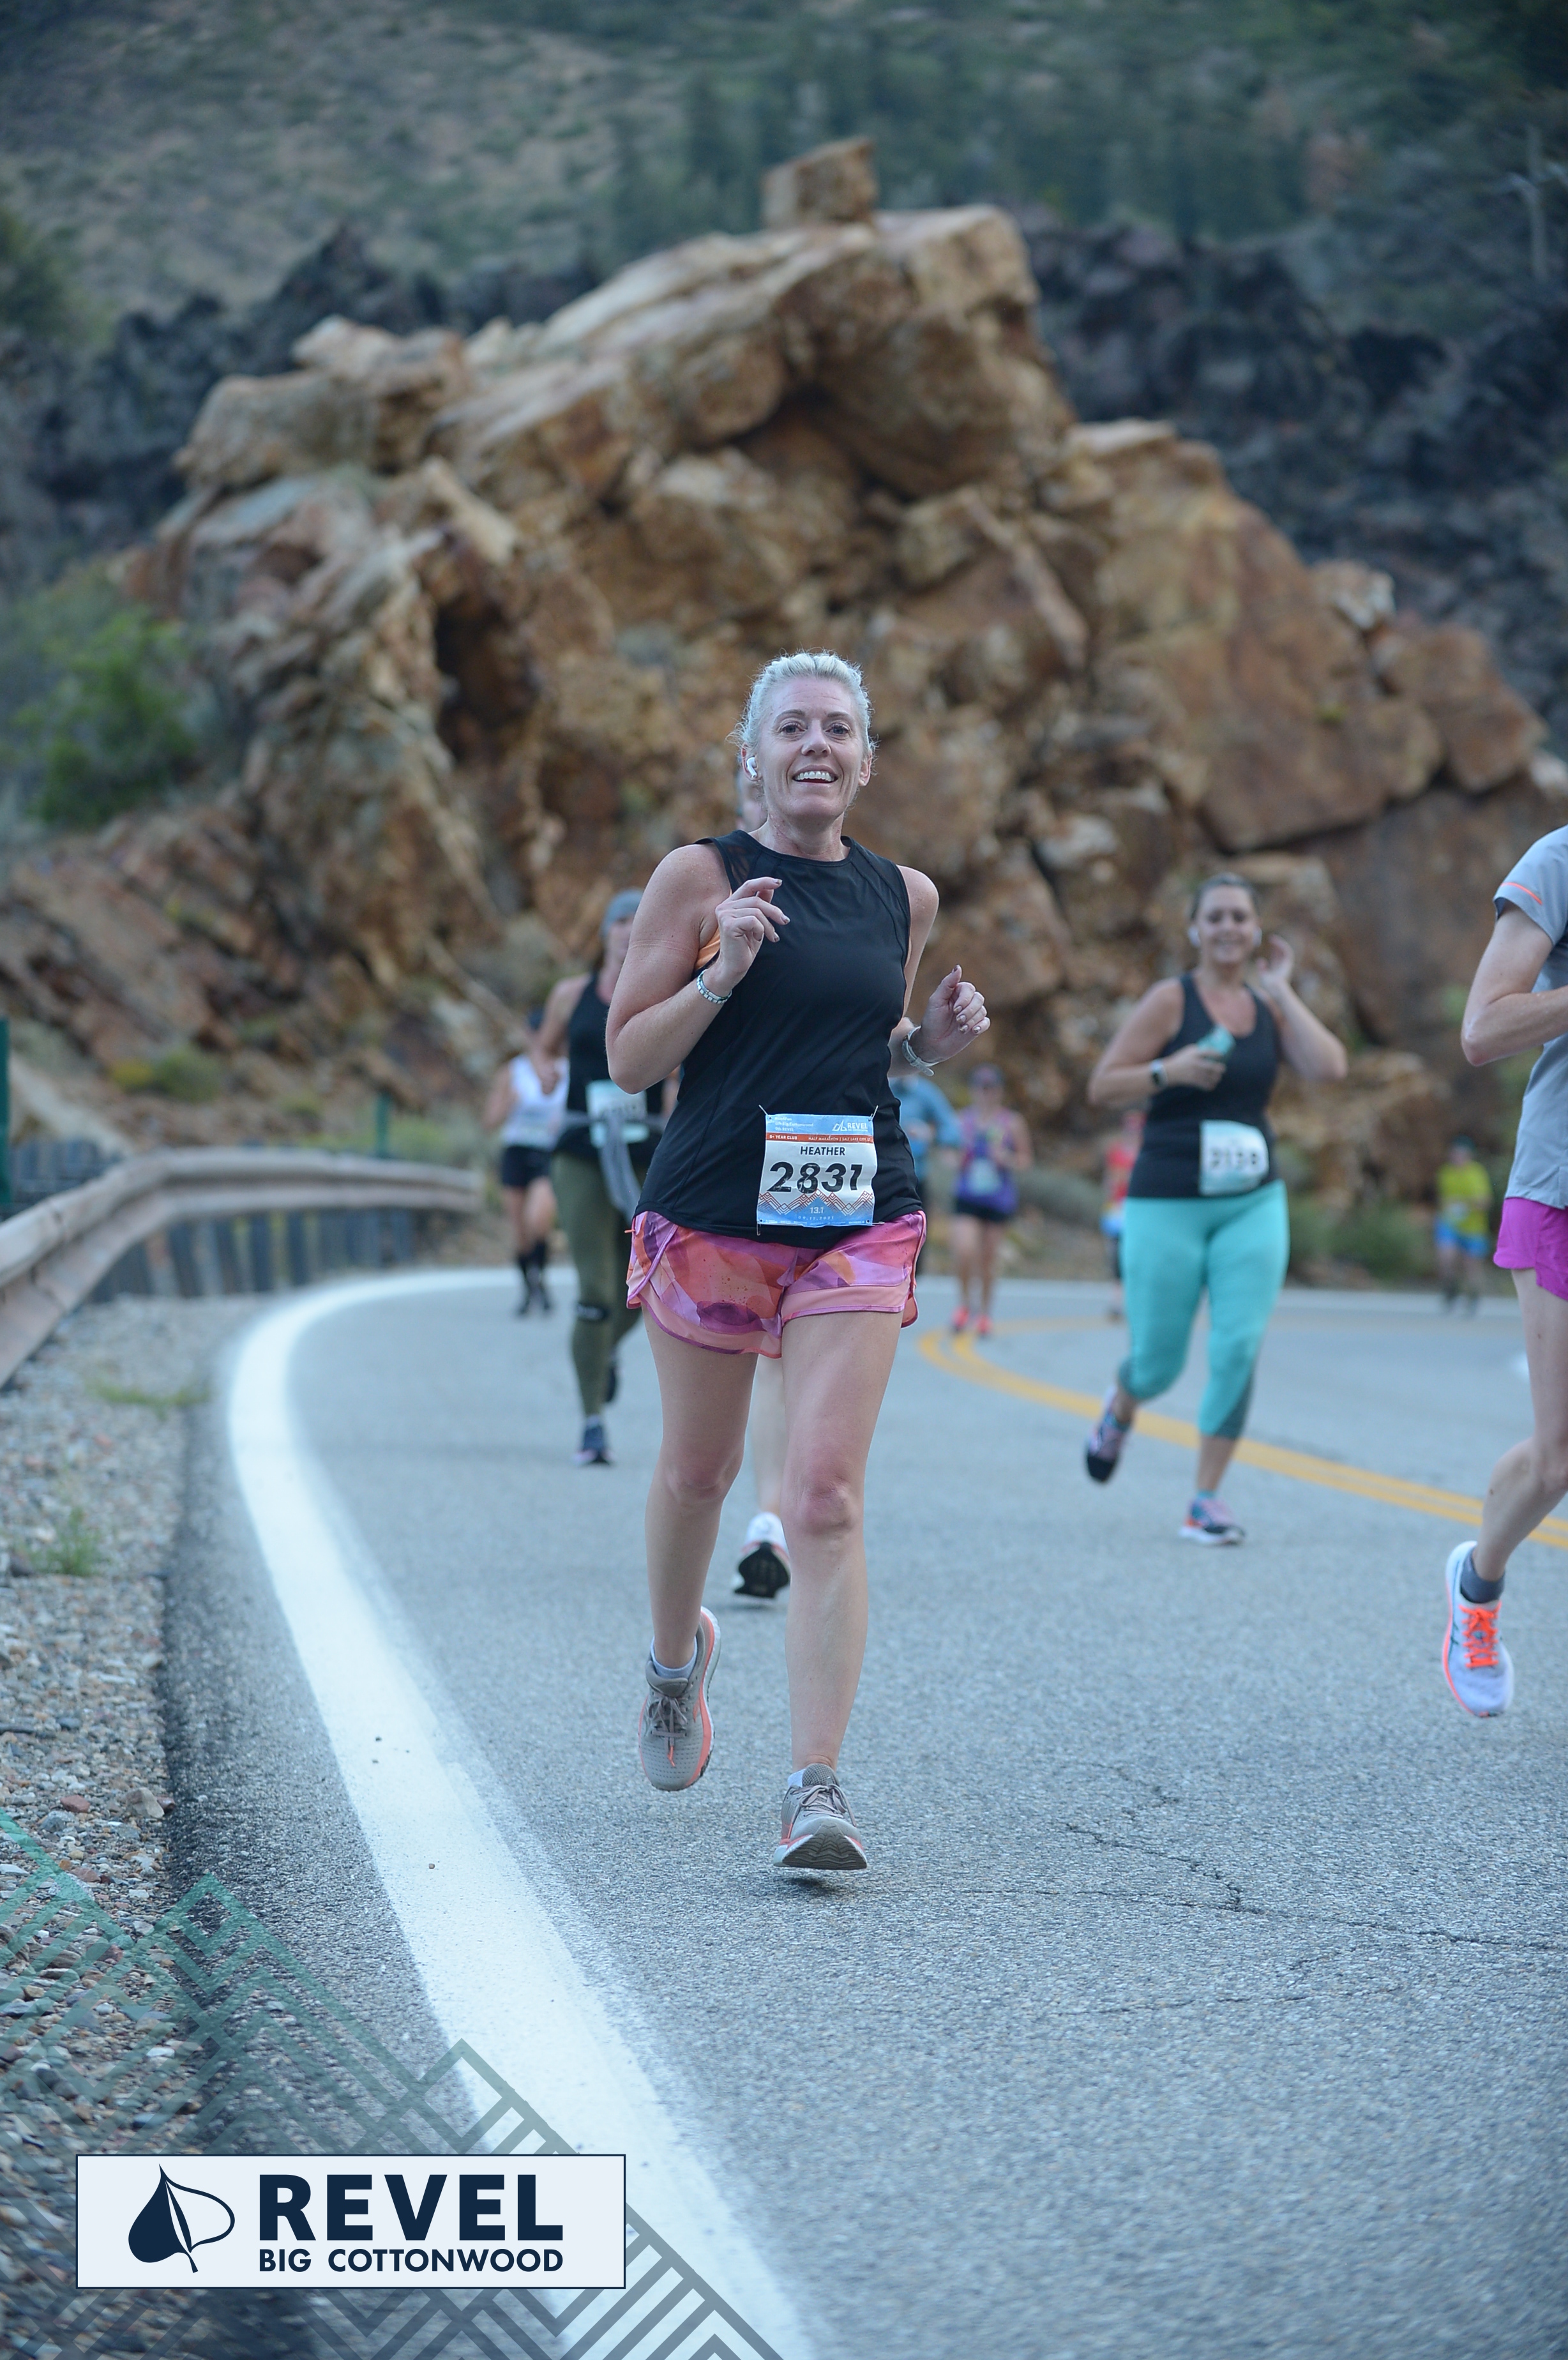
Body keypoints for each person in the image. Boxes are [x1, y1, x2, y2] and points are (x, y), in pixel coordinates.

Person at [605, 650, 989, 1871]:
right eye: (791, 728)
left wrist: (926, 1049)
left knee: (823, 1495)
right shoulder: (699, 877)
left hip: (856, 1215)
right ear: (753, 757)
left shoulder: (903, 897)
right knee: (699, 1474)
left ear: (866, 762)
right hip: (715, 1208)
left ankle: (814, 1786)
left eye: (837, 728)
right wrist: (718, 974)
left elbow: (864, 1037)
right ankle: (676, 1666)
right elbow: (629, 1057)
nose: (814, 745)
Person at [1082, 872, 1347, 1543]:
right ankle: (1122, 1405)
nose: (1228, 927)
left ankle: (1205, 1498)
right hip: (1167, 1199)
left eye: (1240, 917)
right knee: (1157, 1362)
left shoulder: (1269, 1007)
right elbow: (1102, 1086)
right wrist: (1166, 1072)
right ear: (1195, 929)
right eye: (1216, 917)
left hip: (1251, 1202)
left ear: (1256, 932)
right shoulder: (1170, 1001)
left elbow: (1329, 1069)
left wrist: (1282, 989)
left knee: (1237, 1345)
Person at [1441, 825, 1568, 1715]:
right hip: (1561, 1188)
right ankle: (1477, 1586)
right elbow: (1483, 1029)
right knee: (1558, 1461)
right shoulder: (1558, 862)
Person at [533, 890, 666, 1466]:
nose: (628, 930)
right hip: (582, 1152)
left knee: (647, 1287)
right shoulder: (571, 995)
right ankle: (592, 1421)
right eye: (619, 920)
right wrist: (546, 1075)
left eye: (639, 921)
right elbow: (543, 1050)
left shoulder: (667, 991)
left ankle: (601, 1352)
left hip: (647, 1154)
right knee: (595, 1289)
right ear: (605, 932)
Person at [483, 1032, 566, 1313]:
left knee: (539, 1220)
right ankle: (528, 1289)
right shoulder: (513, 1072)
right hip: (516, 1152)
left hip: (548, 1153)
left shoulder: (566, 1069)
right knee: (519, 1230)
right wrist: (509, 1104)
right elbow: (489, 1121)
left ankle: (541, 1279)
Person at [949, 1065, 1030, 1338]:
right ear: (973, 1090)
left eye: (991, 1088)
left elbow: (1025, 1161)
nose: (986, 1094)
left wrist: (1005, 1158)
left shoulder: (1011, 1122)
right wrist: (957, 1159)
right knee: (964, 1250)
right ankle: (964, 1304)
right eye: (981, 1088)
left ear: (999, 1091)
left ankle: (984, 1312)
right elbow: (947, 1153)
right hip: (967, 1196)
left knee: (988, 1259)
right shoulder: (962, 1121)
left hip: (998, 1200)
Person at [1434, 1134, 1493, 1313]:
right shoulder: (1446, 1173)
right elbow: (1442, 1199)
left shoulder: (1477, 1173)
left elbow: (1485, 1202)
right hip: (1451, 1223)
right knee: (1446, 1256)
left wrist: (1466, 1204)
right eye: (1454, 1153)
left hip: (1474, 1227)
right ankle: (1450, 1289)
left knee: (1472, 1265)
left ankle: (1474, 1295)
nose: (1457, 1157)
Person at [1100, 1109, 1144, 1319]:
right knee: (1116, 1255)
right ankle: (1117, 1301)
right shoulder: (1115, 1151)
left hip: (1138, 1207)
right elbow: (1110, 1179)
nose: (1131, 1133)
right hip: (1117, 1208)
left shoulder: (1146, 1152)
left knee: (1136, 1254)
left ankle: (1135, 1301)